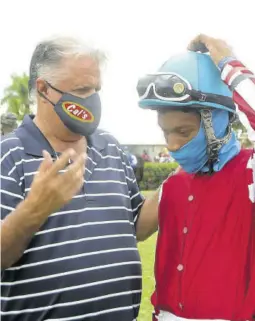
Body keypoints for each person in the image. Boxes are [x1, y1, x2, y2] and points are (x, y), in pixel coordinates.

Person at [0, 36, 159, 321]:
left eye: (95, 89)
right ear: (44, 89)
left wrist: (182, 178)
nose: (92, 100)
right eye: (81, 89)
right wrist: (34, 210)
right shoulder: (8, 156)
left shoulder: (110, 146)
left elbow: (136, 224)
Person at [136, 35, 255, 321]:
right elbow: (134, 230)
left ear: (217, 121)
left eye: (184, 132)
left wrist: (230, 66)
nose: (173, 145)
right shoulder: (173, 185)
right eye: (166, 132)